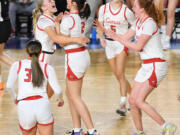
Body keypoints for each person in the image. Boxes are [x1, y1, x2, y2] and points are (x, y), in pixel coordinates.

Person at [96, 0, 177, 134]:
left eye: (135, 6)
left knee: (139, 100)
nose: (132, 8)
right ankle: (139, 131)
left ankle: (166, 126)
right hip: (146, 65)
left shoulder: (149, 23)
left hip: (156, 66)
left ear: (142, 9)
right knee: (132, 101)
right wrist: (108, 33)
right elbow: (124, 37)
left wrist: (118, 38)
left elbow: (138, 46)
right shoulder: (138, 22)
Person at [33, 0, 90, 98]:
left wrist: (64, 19)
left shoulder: (54, 18)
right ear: (43, 8)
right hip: (43, 56)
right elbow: (56, 38)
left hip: (50, 55)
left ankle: (44, 109)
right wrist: (76, 39)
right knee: (41, 89)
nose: (53, 1)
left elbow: (62, 31)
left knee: (51, 89)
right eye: (49, 1)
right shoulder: (44, 20)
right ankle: (37, 110)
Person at [6, 40, 64, 135]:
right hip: (42, 105)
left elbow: (9, 86)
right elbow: (58, 90)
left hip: (24, 106)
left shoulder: (17, 65)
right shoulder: (47, 67)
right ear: (41, 52)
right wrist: (60, 100)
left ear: (26, 51)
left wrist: (15, 98)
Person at [59, 0, 99, 135]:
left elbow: (61, 42)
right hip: (81, 55)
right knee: (70, 94)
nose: (66, 1)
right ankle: (77, 129)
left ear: (74, 3)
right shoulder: (80, 17)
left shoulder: (68, 20)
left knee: (75, 97)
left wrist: (57, 25)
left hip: (74, 58)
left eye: (69, 0)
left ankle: (92, 130)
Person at [98, 0, 135, 116]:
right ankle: (135, 98)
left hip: (121, 43)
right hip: (109, 45)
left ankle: (123, 104)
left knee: (120, 73)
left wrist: (126, 38)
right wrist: (101, 38)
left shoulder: (126, 11)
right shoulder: (104, 8)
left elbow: (135, 26)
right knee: (118, 76)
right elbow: (100, 25)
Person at [0, 0, 14, 90]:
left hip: (2, 25)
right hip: (4, 25)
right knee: (0, 54)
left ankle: (22, 68)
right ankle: (0, 82)